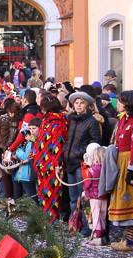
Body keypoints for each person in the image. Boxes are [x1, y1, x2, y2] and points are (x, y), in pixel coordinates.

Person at [108, 90, 133, 250]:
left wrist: (131, 169)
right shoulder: (124, 120)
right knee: (122, 200)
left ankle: (132, 241)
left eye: (120, 102)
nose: (117, 105)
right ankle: (128, 238)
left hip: (130, 164)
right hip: (120, 162)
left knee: (131, 200)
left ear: (128, 104)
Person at [61, 93, 102, 232]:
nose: (78, 105)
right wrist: (65, 150)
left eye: (81, 103)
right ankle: (74, 225)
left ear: (87, 105)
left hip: (81, 162)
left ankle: (86, 227)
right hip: (70, 161)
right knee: (73, 197)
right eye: (76, 102)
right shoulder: (72, 119)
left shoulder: (91, 121)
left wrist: (81, 152)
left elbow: (95, 141)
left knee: (83, 197)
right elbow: (68, 139)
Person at [33, 93, 67, 223]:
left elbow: (57, 146)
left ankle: (51, 221)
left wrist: (58, 165)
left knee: (52, 194)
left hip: (51, 166)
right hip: (43, 164)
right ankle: (45, 220)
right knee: (43, 193)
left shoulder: (56, 123)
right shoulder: (46, 122)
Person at [82, 143, 108, 246]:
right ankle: (104, 235)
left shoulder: (93, 169)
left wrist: (85, 190)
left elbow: (88, 183)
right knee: (103, 215)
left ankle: (97, 236)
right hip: (103, 195)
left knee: (96, 215)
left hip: (93, 195)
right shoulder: (105, 168)